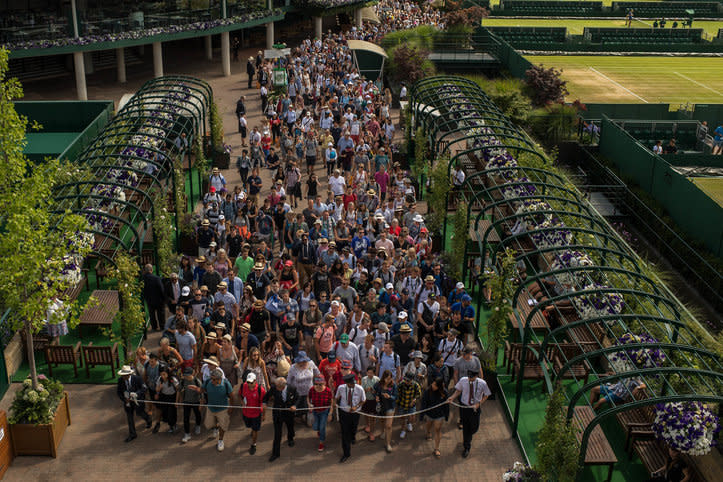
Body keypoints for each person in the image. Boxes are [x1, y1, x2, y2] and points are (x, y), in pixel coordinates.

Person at [447, 369, 491, 458]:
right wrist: (452, 397)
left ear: (476, 376)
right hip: (464, 407)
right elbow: (458, 390)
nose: (470, 379)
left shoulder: (482, 383)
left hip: (475, 408)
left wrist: (479, 404)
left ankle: (468, 437)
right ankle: (466, 446)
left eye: (472, 378)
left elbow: (486, 395)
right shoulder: (463, 380)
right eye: (469, 377)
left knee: (474, 428)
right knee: (466, 428)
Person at [264, 377, 298, 462]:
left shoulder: (292, 388)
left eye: (277, 387)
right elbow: (266, 396)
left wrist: (295, 406)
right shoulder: (274, 388)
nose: (276, 388)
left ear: (283, 386)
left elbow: (298, 398)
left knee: (290, 427)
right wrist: (264, 403)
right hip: (278, 413)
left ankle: (290, 438)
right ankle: (275, 453)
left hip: (288, 412)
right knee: (277, 434)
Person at [335, 372, 365, 463]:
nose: (353, 385)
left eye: (354, 383)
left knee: (354, 427)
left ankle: (353, 436)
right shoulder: (341, 388)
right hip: (344, 413)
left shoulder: (359, 389)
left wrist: (356, 406)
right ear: (347, 383)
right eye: (351, 383)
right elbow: (336, 397)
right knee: (345, 433)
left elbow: (363, 400)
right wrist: (335, 404)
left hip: (355, 413)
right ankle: (346, 453)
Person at [117, 365, 151, 442]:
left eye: (125, 375)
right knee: (129, 417)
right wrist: (124, 399)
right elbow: (119, 392)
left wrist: (136, 394)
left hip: (137, 401)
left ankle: (148, 419)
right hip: (128, 403)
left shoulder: (137, 379)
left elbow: (144, 388)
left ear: (129, 374)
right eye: (123, 375)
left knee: (140, 413)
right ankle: (132, 434)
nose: (124, 377)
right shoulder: (120, 380)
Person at [203, 368, 233, 452]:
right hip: (211, 408)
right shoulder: (208, 382)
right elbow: (202, 389)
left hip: (223, 409)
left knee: (223, 426)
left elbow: (232, 396)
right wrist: (197, 390)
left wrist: (231, 407)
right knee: (209, 425)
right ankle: (216, 427)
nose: (211, 380)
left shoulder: (226, 384)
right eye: (211, 378)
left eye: (214, 379)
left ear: (219, 379)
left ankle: (220, 440)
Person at [421, 377, 449, 458]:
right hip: (429, 414)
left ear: (439, 386)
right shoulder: (428, 391)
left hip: (439, 415)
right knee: (428, 425)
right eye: (433, 383)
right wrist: (422, 416)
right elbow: (424, 403)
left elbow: (446, 406)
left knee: (437, 429)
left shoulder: (444, 392)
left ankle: (436, 448)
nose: (433, 386)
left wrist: (446, 416)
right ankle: (428, 432)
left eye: (435, 385)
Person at [240, 372, 266, 455]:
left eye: (251, 382)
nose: (249, 384)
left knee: (255, 430)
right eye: (248, 382)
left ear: (255, 381)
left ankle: (254, 444)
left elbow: (264, 403)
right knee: (249, 426)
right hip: (246, 413)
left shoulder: (261, 390)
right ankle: (252, 430)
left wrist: (264, 415)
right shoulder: (243, 386)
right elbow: (240, 395)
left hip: (256, 414)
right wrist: (242, 402)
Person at [308, 375, 334, 452]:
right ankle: (320, 431)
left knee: (322, 427)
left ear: (324, 383)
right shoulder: (312, 389)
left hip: (324, 411)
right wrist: (309, 404)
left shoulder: (328, 391)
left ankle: (321, 442)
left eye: (320, 384)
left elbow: (331, 402)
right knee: (315, 427)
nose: (318, 386)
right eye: (316, 384)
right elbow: (308, 397)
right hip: (315, 411)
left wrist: (330, 413)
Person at [374, 369, 397, 453]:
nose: (388, 380)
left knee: (389, 426)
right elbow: (375, 391)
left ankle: (388, 444)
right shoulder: (378, 384)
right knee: (382, 422)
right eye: (387, 378)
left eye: (390, 378)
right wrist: (376, 397)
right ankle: (382, 431)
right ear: (383, 378)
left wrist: (389, 397)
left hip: (390, 407)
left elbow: (396, 397)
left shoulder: (393, 385)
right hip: (381, 406)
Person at [180, 366, 203, 443]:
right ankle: (187, 433)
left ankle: (198, 425)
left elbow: (201, 392)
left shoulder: (197, 381)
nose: (186, 377)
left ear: (192, 374)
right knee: (186, 418)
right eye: (185, 375)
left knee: (197, 414)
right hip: (186, 401)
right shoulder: (183, 381)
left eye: (187, 375)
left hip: (196, 401)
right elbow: (179, 389)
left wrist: (201, 404)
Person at [397, 372, 422, 439]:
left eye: (408, 380)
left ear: (412, 380)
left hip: (411, 405)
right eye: (405, 379)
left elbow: (419, 394)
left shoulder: (416, 385)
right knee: (403, 418)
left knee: (412, 417)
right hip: (402, 404)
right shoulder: (401, 384)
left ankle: (409, 423)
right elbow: (397, 393)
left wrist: (415, 399)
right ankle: (403, 430)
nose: (406, 381)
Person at [142, 264, 165, 331]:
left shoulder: (143, 279)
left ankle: (154, 327)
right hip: (158, 299)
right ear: (151, 270)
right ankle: (162, 326)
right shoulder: (156, 278)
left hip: (149, 299)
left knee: (152, 314)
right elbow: (161, 289)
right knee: (160, 313)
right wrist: (163, 298)